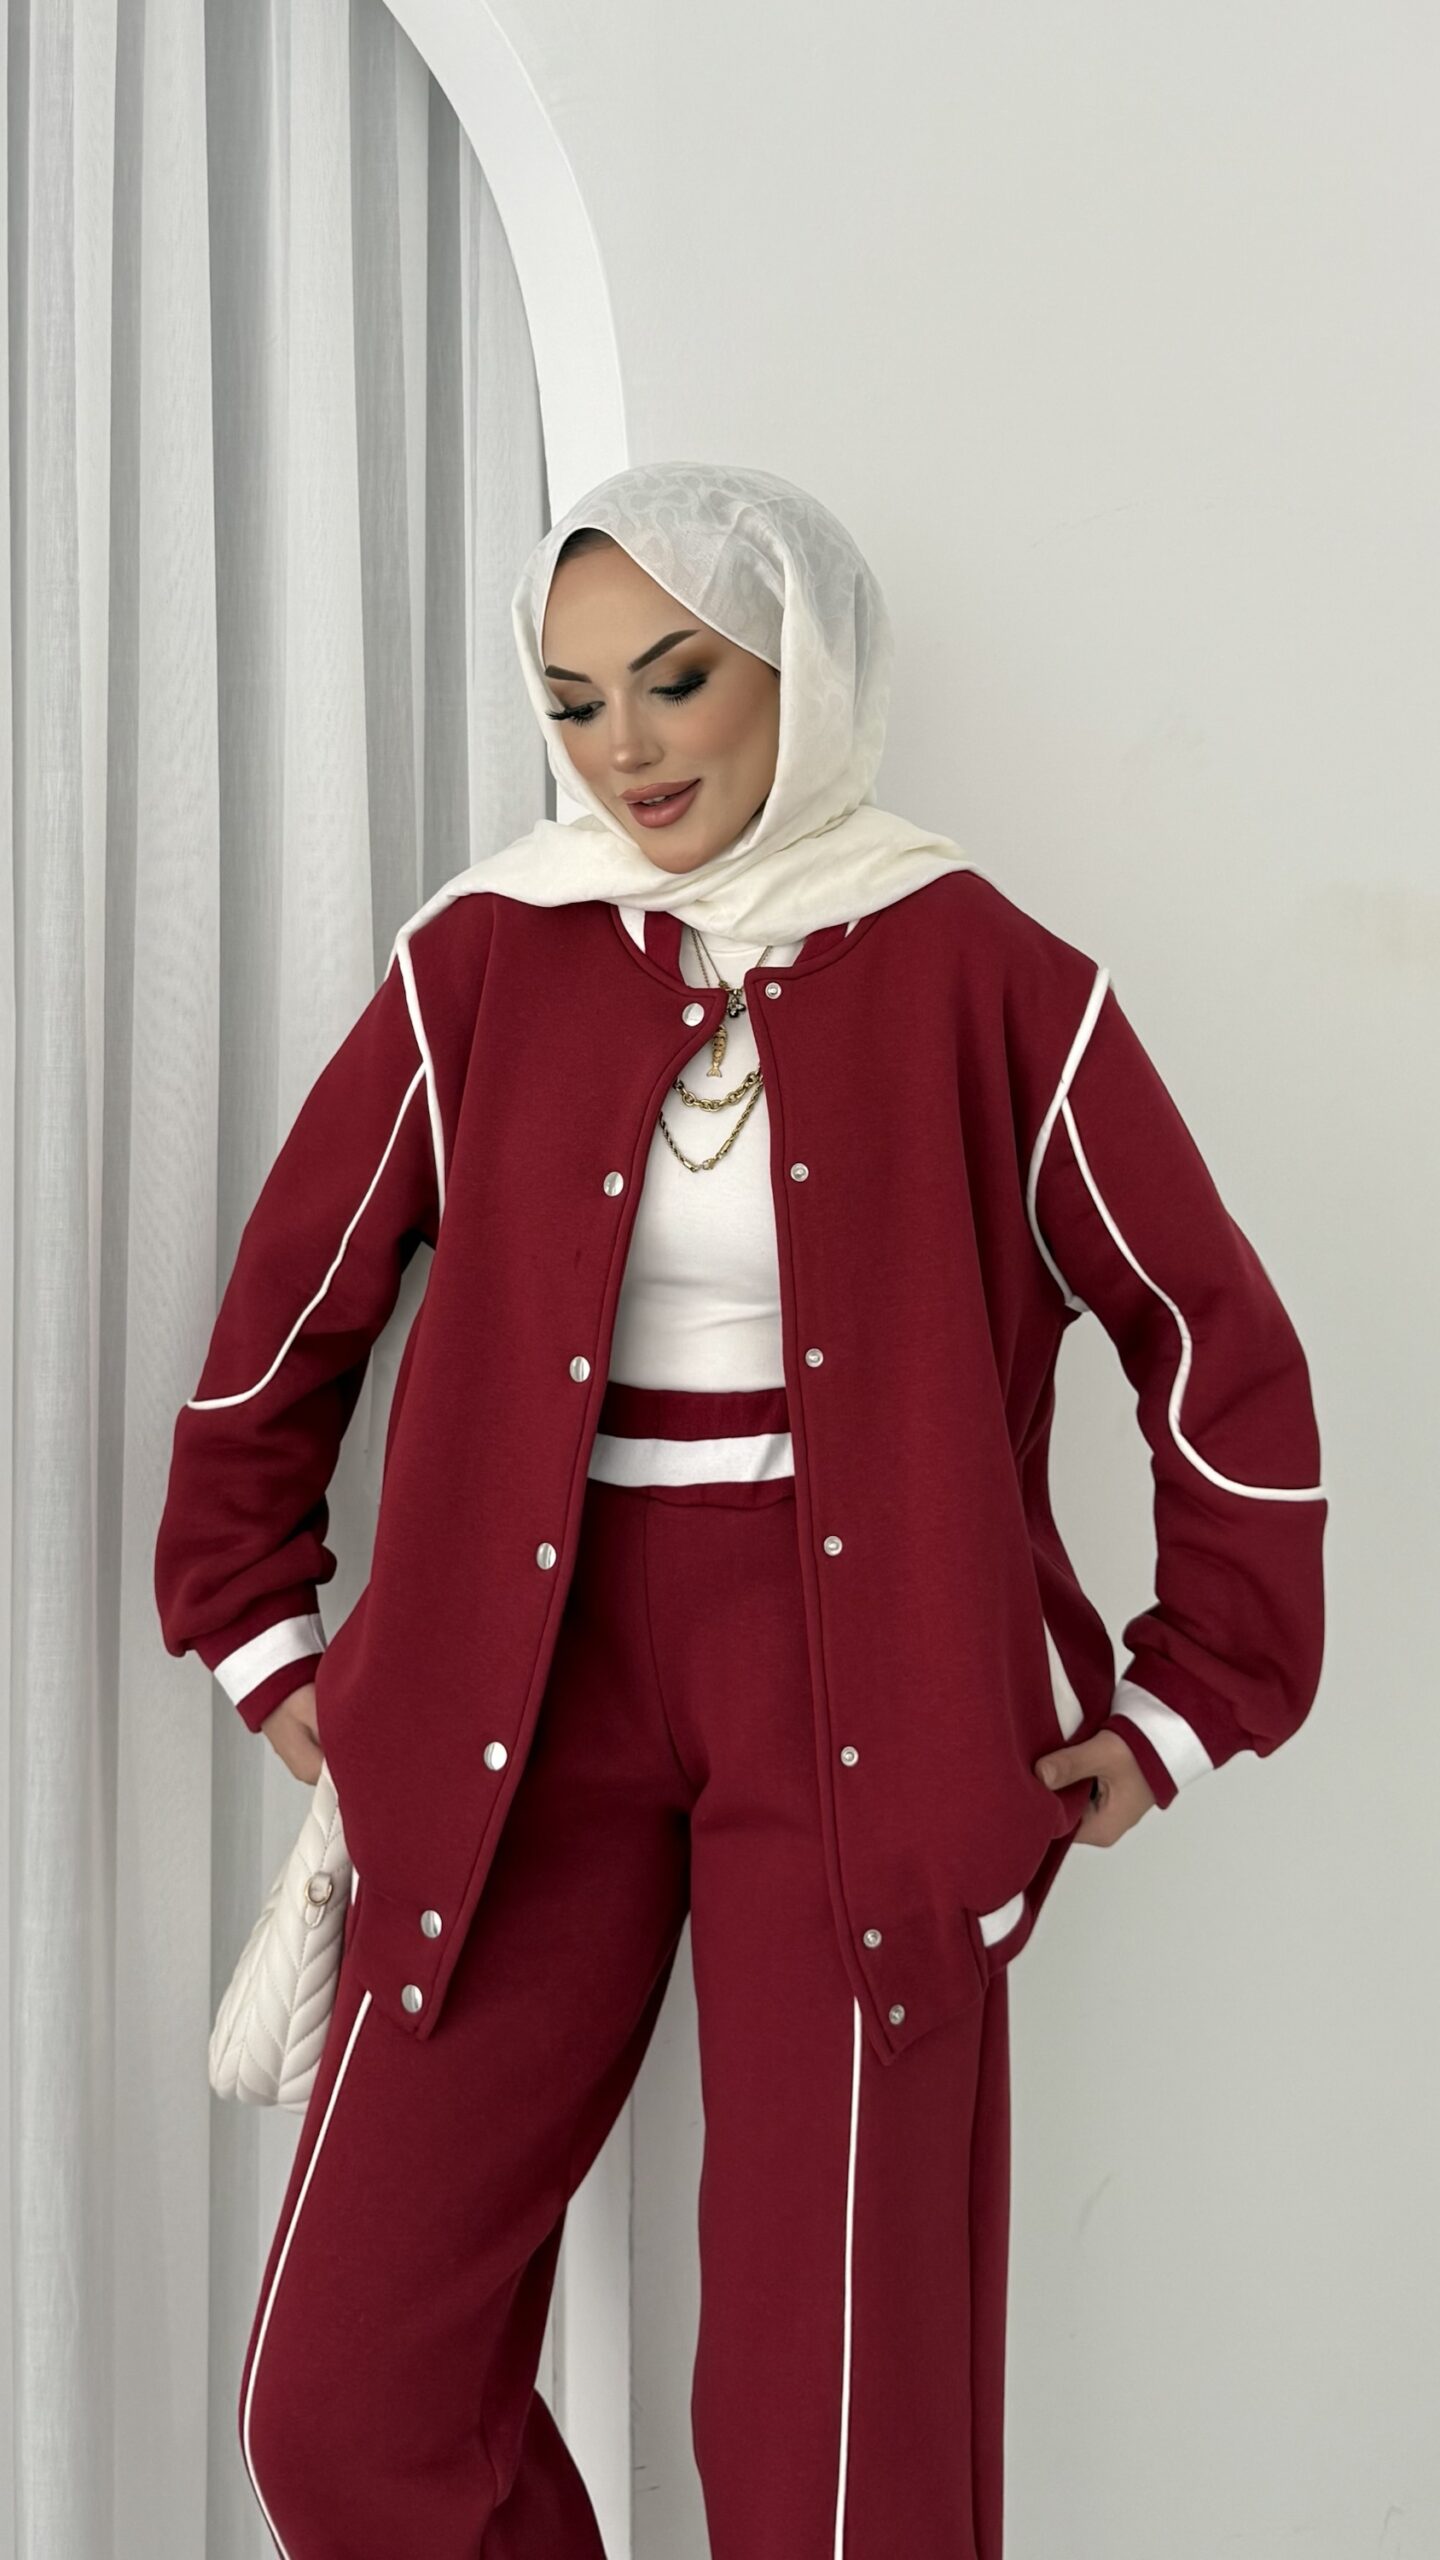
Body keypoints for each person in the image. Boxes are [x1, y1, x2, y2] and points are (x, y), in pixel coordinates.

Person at [153, 461, 1327, 2558]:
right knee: (341, 2406)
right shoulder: (486, 958)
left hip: (869, 1699)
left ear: (803, 663)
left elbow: (1211, 1334)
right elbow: (285, 1312)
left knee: (837, 2459)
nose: (624, 747)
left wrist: (1184, 1698)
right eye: (573, 699)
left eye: (675, 678)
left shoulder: (987, 973)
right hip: (520, 1695)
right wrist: (261, 1628)